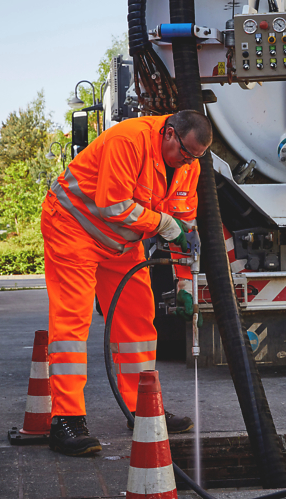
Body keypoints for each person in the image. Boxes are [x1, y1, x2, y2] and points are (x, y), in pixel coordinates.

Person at [41, 109, 212, 456]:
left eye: (194, 158)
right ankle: (66, 419)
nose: (185, 163)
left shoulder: (188, 165)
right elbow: (113, 204)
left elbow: (185, 232)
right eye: (183, 153)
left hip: (120, 242)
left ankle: (142, 407)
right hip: (72, 227)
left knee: (137, 320)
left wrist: (185, 285)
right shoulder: (128, 139)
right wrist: (166, 224)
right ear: (168, 133)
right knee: (73, 323)